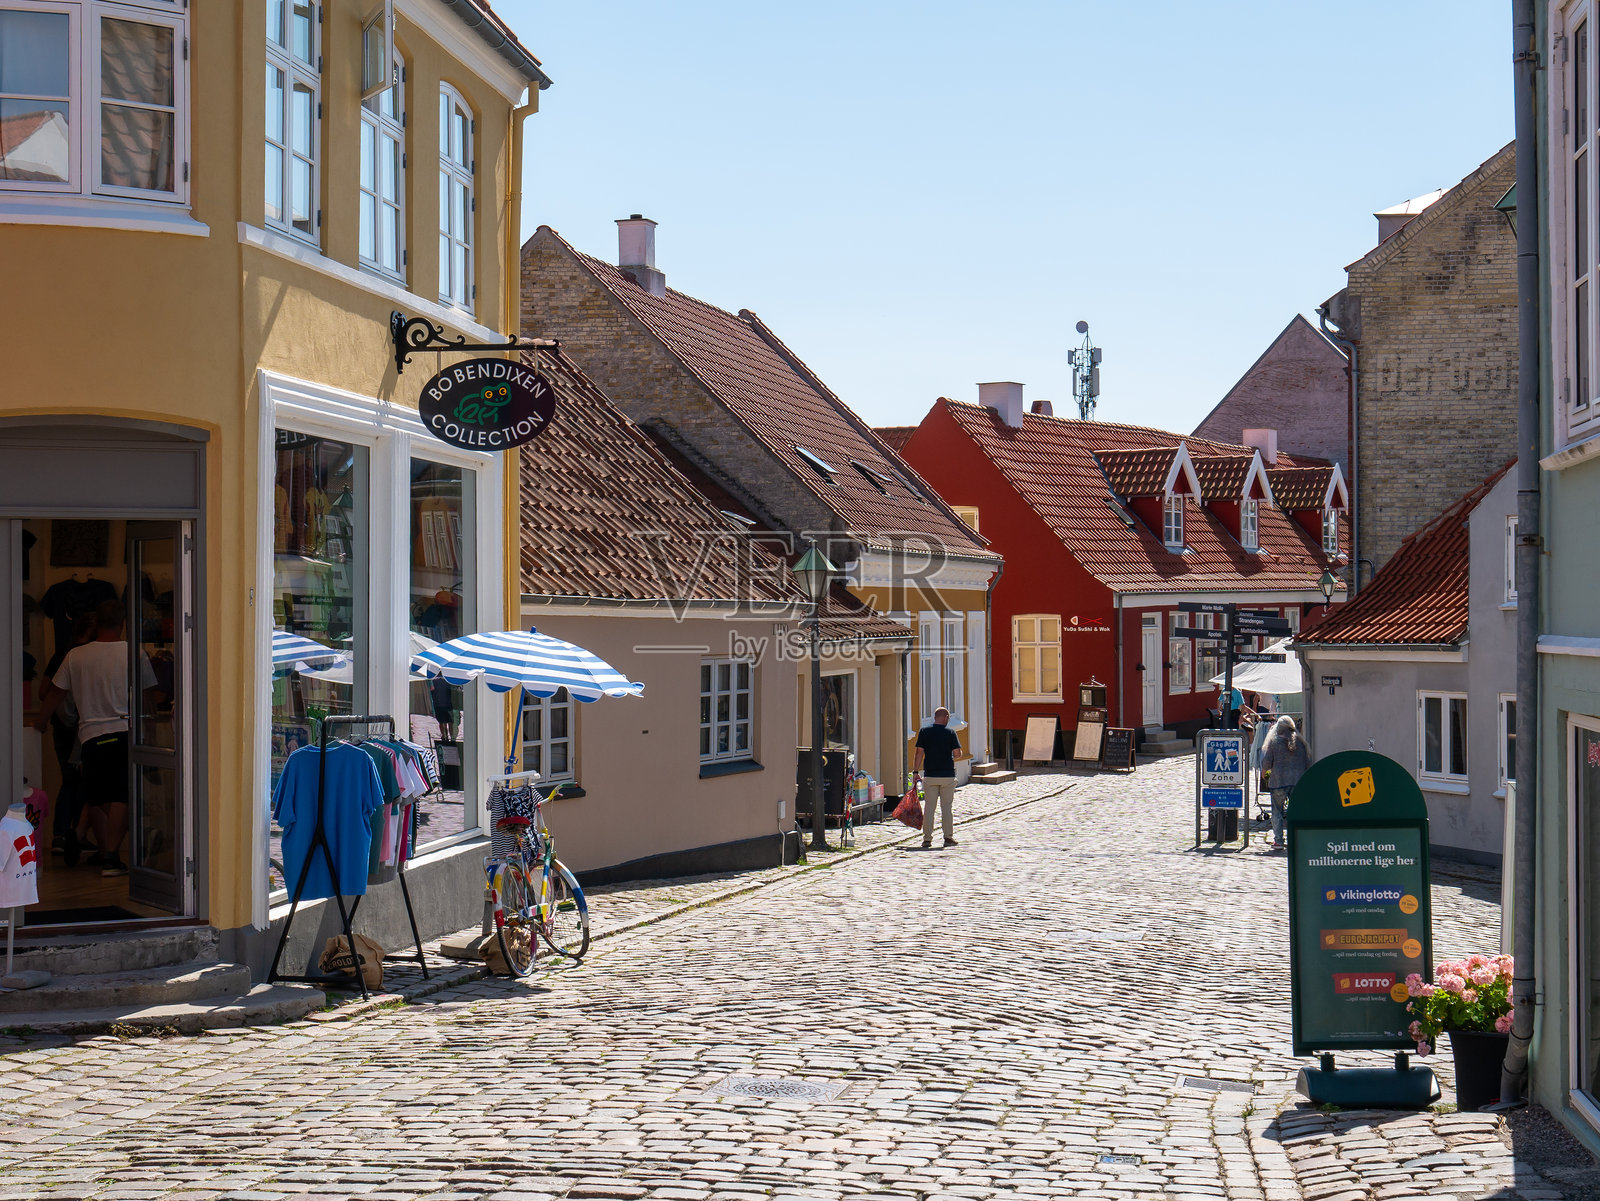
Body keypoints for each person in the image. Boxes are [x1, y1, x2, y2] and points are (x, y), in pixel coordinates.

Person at [33, 600, 156, 877]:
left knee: (98, 798)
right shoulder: (133, 653)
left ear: (96, 623)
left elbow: (54, 693)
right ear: (123, 623)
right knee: (123, 797)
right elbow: (148, 696)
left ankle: (103, 852)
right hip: (125, 732)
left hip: (90, 737)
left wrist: (40, 722)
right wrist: (149, 730)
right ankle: (111, 856)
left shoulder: (76, 656)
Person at [1259, 715, 1311, 851]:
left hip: (1278, 782)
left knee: (1277, 812)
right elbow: (1307, 763)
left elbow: (1266, 763)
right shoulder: (1301, 743)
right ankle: (1296, 839)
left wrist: (1264, 774)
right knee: (1296, 812)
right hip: (1297, 782)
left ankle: (1278, 841)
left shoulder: (1274, 742)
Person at [913, 706, 962, 849]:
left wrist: (916, 772)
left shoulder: (924, 732)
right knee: (946, 807)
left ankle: (927, 839)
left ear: (935, 718)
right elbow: (957, 754)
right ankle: (948, 837)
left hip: (931, 775)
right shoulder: (950, 733)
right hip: (947, 775)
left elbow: (919, 753)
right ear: (946, 718)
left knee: (929, 808)